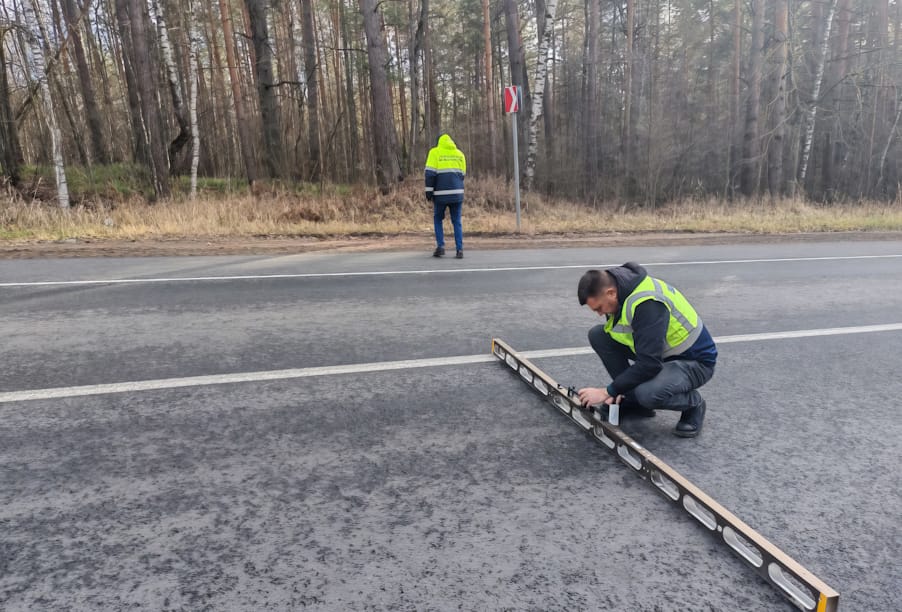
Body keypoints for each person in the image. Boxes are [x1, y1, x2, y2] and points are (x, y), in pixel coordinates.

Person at [576, 263, 717, 437]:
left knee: (647, 394)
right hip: (661, 354)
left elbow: (649, 364)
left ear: (611, 293)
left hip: (693, 361)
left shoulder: (647, 304)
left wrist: (608, 391)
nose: (599, 313)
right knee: (599, 335)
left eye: (599, 308)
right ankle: (633, 401)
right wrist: (621, 389)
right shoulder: (620, 292)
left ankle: (694, 404)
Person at [425, 134, 466, 259]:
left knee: (438, 218)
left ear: (438, 142)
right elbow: (462, 175)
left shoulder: (434, 152)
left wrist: (429, 192)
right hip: (457, 193)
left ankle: (441, 246)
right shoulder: (460, 154)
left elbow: (430, 175)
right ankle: (459, 249)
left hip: (440, 195)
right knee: (456, 221)